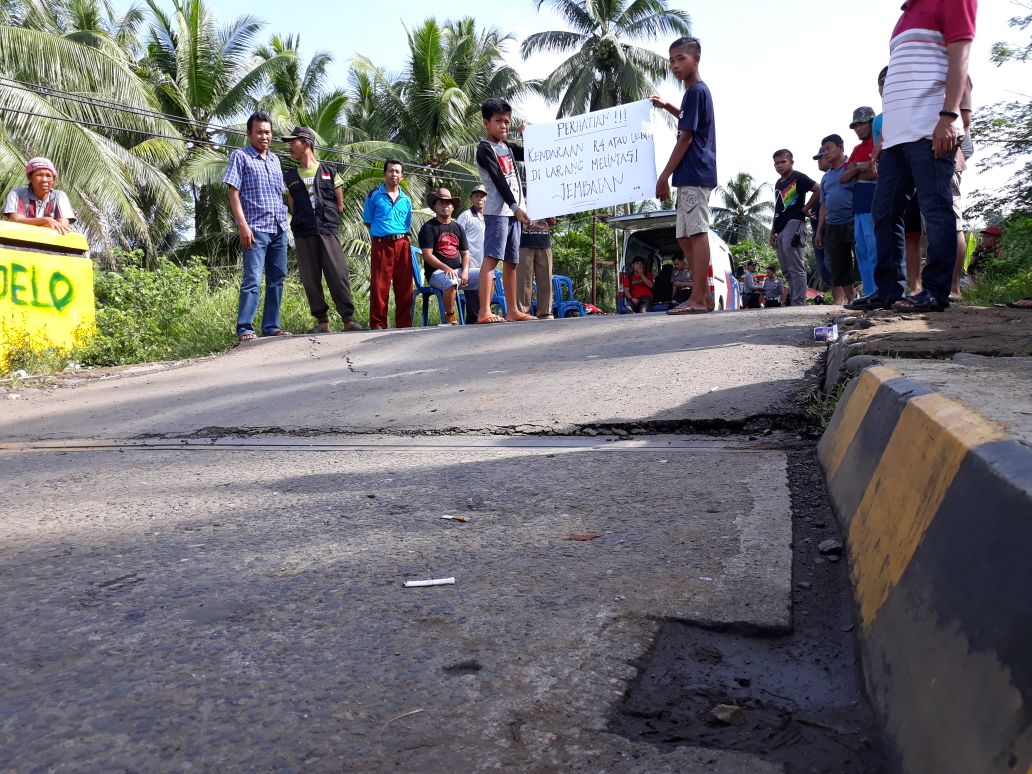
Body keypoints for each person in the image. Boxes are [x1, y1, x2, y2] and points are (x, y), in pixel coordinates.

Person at [847, 0, 976, 313]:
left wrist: (948, 117)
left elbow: (960, 60)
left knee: (936, 209)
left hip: (929, 127)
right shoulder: (904, 16)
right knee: (885, 211)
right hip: (896, 137)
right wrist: (886, 135)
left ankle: (936, 291)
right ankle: (887, 290)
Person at [652, 36, 717, 315]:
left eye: (681, 59)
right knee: (683, 236)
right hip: (690, 175)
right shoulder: (693, 94)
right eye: (671, 61)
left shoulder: (696, 91)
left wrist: (664, 175)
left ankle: (699, 299)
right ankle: (703, 294)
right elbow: (688, 120)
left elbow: (686, 136)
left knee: (697, 233)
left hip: (695, 171)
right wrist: (667, 106)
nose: (675, 66)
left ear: (696, 60)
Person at [281, 126, 365, 334]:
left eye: (294, 142)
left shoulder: (330, 171)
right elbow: (291, 205)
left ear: (306, 143)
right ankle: (322, 322)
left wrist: (324, 218)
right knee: (310, 278)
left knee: (338, 274)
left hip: (328, 230)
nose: (290, 146)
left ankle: (348, 320)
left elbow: (340, 205)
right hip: (303, 233)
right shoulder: (290, 176)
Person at [224, 111, 291, 342]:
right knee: (252, 278)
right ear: (249, 134)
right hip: (255, 228)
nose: (264, 137)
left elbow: (279, 194)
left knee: (277, 278)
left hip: (279, 227)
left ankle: (271, 326)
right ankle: (245, 328)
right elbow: (233, 192)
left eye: (268, 132)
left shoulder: (275, 160)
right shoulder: (240, 156)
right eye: (260, 132)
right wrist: (242, 226)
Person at [476, 98, 535, 323]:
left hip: (513, 213)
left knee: (512, 262)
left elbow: (529, 152)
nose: (504, 126)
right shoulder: (484, 149)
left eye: (507, 122)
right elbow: (499, 180)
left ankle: (513, 310)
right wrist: (515, 206)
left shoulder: (507, 147)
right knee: (491, 259)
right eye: (498, 121)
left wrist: (525, 135)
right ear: (486, 122)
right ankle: (484, 311)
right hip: (498, 212)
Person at [362, 159, 414, 329]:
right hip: (381, 244)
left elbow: (407, 224)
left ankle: (404, 324)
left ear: (402, 176)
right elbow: (368, 221)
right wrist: (382, 234)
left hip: (402, 243)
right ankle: (378, 324)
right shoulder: (374, 195)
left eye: (398, 171)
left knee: (405, 286)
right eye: (391, 171)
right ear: (385, 174)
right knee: (379, 285)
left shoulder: (406, 199)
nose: (394, 174)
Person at [770, 149, 820, 306]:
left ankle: (799, 302)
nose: (779, 165)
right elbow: (778, 208)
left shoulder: (798, 177)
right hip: (780, 227)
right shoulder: (779, 183)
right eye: (776, 163)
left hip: (795, 223)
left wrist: (805, 209)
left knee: (796, 266)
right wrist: (773, 231)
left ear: (791, 162)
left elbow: (818, 189)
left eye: (783, 162)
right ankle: (795, 301)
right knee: (785, 268)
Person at [418, 187, 470, 326]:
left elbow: (465, 253)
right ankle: (450, 317)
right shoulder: (428, 228)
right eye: (441, 203)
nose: (445, 206)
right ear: (434, 206)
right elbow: (427, 255)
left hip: (457, 270)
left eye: (448, 203)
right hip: (436, 273)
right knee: (451, 281)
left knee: (487, 275)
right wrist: (445, 267)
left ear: (453, 207)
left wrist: (465, 271)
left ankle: (484, 312)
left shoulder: (458, 227)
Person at [815, 134, 857, 305]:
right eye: (824, 150)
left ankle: (870, 294)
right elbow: (823, 205)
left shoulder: (853, 167)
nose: (826, 153)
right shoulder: (826, 177)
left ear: (841, 147)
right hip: (832, 225)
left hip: (854, 221)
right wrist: (819, 232)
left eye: (829, 148)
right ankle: (852, 300)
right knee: (840, 266)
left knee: (863, 260)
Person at [842, 107, 878, 296]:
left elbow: (874, 172)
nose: (858, 128)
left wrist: (856, 169)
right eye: (855, 125)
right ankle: (870, 292)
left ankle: (879, 291)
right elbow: (843, 177)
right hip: (859, 204)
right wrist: (858, 169)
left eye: (862, 123)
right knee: (862, 251)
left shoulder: (879, 144)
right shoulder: (857, 149)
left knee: (874, 249)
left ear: (873, 122)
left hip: (873, 201)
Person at [4, 157, 76, 235]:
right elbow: (16, 220)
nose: (44, 180)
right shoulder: (17, 193)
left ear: (53, 180)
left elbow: (62, 226)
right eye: (39, 175)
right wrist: (45, 220)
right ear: (29, 178)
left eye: (48, 176)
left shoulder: (59, 196)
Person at [456, 186, 488, 323]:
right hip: (470, 261)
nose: (479, 199)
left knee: (484, 293)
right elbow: (456, 237)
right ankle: (473, 323)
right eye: (476, 196)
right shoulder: (466, 216)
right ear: (471, 198)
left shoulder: (490, 217)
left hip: (485, 261)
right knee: (472, 295)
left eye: (482, 196)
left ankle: (482, 317)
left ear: (486, 198)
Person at [517, 212, 557, 319]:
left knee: (546, 280)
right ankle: (524, 312)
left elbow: (553, 221)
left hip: (543, 242)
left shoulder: (544, 198)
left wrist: (546, 211)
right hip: (523, 242)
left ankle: (545, 312)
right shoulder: (519, 197)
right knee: (523, 280)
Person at [804, 148, 832, 288]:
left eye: (821, 157)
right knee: (824, 269)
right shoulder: (826, 178)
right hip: (818, 231)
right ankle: (837, 301)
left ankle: (840, 300)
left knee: (832, 265)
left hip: (831, 228)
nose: (819, 161)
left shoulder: (838, 175)